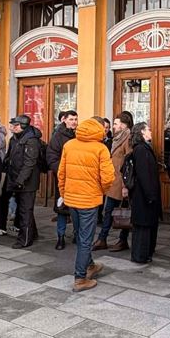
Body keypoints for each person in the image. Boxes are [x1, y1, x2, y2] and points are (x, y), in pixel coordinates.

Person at [58, 118, 115, 292]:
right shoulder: (100, 148)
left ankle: (89, 265)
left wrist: (63, 193)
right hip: (89, 200)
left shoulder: (69, 145)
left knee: (79, 234)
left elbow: (62, 173)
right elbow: (108, 177)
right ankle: (80, 278)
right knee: (85, 239)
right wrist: (102, 191)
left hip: (72, 198)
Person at [94, 111, 133, 252]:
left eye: (116, 124)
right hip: (113, 181)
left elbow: (129, 163)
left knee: (123, 212)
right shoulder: (117, 138)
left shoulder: (128, 138)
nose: (113, 126)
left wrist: (125, 185)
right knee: (109, 211)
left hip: (121, 183)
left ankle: (121, 240)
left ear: (123, 125)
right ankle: (102, 239)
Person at [4, 115, 43, 249]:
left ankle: (25, 239)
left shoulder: (31, 141)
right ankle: (32, 233)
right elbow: (9, 158)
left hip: (27, 182)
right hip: (16, 179)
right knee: (24, 209)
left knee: (25, 211)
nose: (12, 127)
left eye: (15, 125)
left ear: (23, 126)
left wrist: (20, 180)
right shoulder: (14, 138)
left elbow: (29, 164)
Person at [128, 122, 161, 264]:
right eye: (148, 129)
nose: (151, 132)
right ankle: (140, 255)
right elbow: (143, 174)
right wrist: (150, 195)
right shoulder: (141, 150)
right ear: (142, 132)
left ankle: (145, 253)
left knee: (146, 224)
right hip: (143, 196)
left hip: (144, 195)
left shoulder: (143, 148)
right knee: (143, 225)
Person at [47, 110, 78, 250]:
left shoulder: (79, 135)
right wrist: (63, 171)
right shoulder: (57, 136)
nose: (74, 122)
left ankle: (77, 234)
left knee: (77, 208)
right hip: (63, 178)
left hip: (78, 178)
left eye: (76, 119)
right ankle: (60, 237)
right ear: (64, 120)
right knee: (61, 208)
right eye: (71, 119)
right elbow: (52, 157)